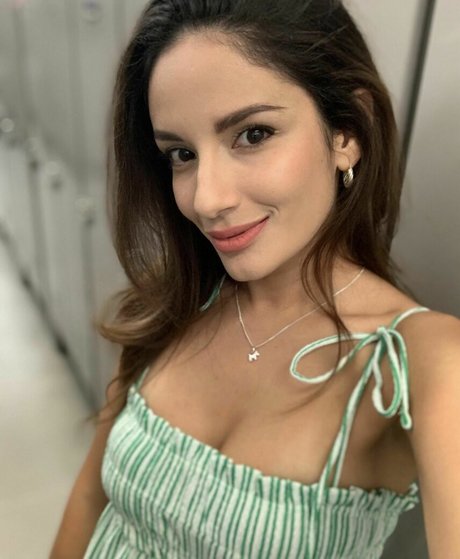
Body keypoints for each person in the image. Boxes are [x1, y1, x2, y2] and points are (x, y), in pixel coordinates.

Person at [50, 1, 460, 557]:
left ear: (346, 132)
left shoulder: (420, 364)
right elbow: (89, 499)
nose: (206, 199)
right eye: (182, 153)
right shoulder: (175, 302)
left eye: (252, 134)